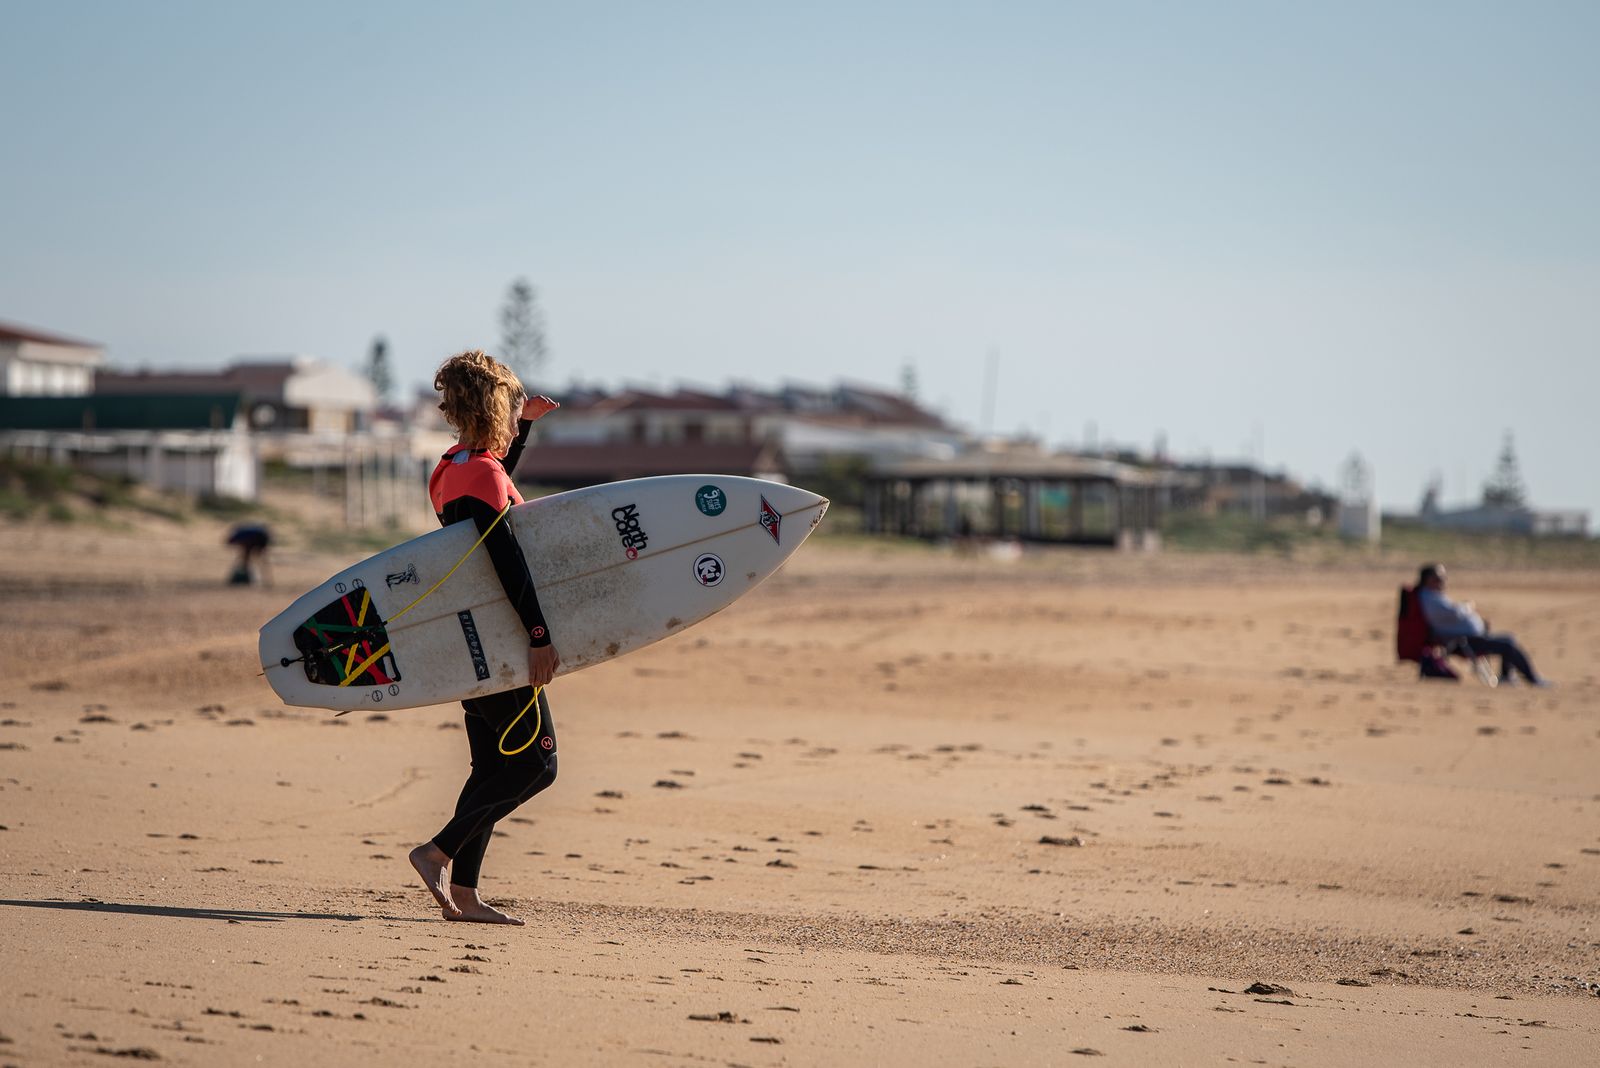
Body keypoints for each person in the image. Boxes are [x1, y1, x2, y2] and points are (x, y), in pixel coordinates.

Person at [408, 350, 562, 924]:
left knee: (491, 769)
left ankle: (466, 896)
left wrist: (521, 432)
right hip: (499, 644)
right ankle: (437, 852)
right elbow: (507, 559)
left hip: (464, 641)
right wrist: (539, 637)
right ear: (493, 405)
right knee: (536, 766)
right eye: (511, 403)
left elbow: (494, 493)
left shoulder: (452, 467)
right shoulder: (483, 474)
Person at [1414, 563, 1549, 687]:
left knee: (1507, 640)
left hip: (1467, 638)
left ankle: (1508, 676)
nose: (1444, 580)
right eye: (1440, 577)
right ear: (1429, 579)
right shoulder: (1429, 598)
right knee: (1508, 643)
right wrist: (1467, 606)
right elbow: (1454, 613)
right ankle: (1533, 680)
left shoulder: (1433, 596)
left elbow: (1451, 615)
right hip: (1462, 642)